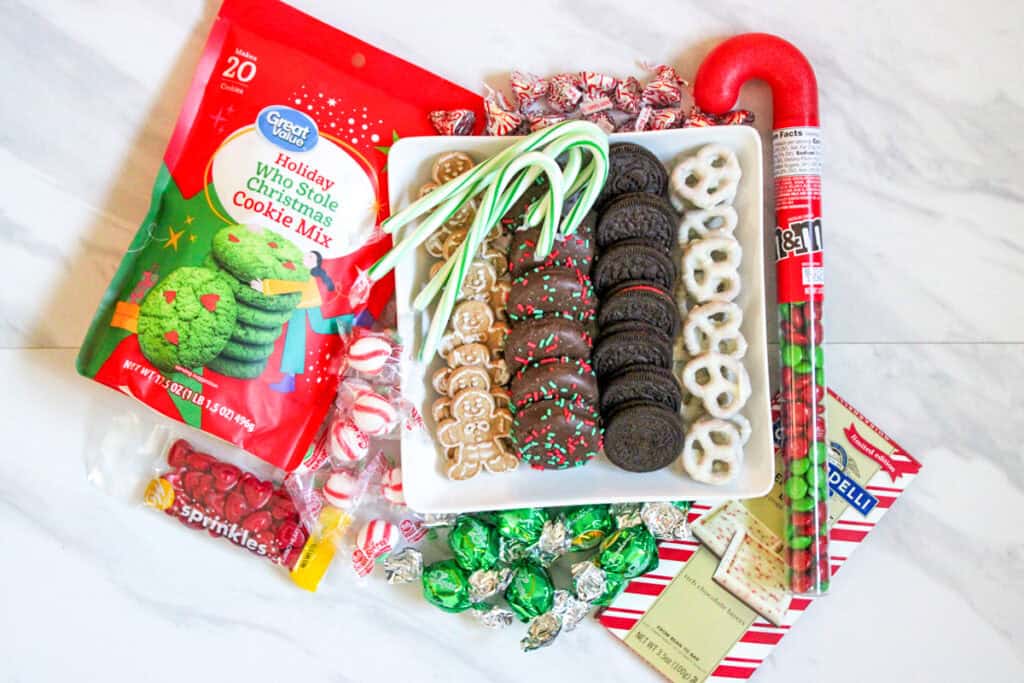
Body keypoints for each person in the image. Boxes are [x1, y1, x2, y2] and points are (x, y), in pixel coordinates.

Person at [249, 250, 350, 393]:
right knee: (317, 327)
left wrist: (265, 287)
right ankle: (288, 380)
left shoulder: (303, 275)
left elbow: (289, 286)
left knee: (295, 341)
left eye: (310, 257)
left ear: (315, 264)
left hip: (303, 304)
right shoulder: (300, 271)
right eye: (306, 255)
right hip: (305, 302)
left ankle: (288, 380)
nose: (306, 257)